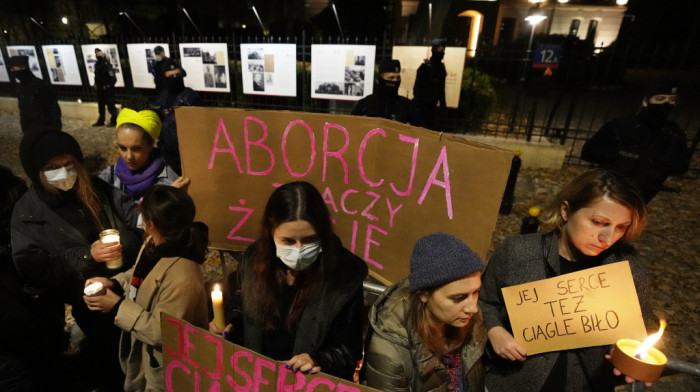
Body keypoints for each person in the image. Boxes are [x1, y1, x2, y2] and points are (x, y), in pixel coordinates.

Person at [479, 169, 651, 392]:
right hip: (512, 382)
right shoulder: (518, 253)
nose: (608, 238)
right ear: (566, 210)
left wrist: (628, 360)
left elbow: (631, 338)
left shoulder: (630, 275)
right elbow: (483, 301)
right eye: (598, 222)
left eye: (621, 227)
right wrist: (494, 330)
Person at [11, 129, 143, 390]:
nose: (63, 173)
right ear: (38, 172)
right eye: (52, 167)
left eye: (69, 165)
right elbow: (32, 266)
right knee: (113, 357)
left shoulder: (94, 188)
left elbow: (126, 209)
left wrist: (149, 218)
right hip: (90, 302)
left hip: (129, 283)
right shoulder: (28, 214)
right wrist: (86, 255)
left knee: (139, 348)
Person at [210, 181, 368, 380]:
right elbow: (242, 308)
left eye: (310, 240)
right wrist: (229, 324)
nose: (299, 249)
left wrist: (318, 361)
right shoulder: (254, 261)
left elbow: (348, 349)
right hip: (255, 378)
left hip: (304, 384)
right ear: (271, 233)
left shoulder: (344, 276)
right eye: (288, 241)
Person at [83, 185, 209, 392]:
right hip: (143, 352)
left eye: (142, 215)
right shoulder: (154, 243)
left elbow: (163, 332)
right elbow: (140, 274)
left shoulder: (183, 276)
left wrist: (117, 307)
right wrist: (114, 283)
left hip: (168, 371)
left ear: (150, 223)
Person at [364, 232, 487, 391]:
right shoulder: (389, 352)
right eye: (458, 298)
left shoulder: (469, 319)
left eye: (476, 292)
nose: (473, 308)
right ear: (424, 294)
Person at [581, 81, 690, 202]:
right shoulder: (621, 126)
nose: (666, 103)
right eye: (660, 98)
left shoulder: (674, 134)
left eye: (672, 100)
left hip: (642, 195)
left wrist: (658, 161)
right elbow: (588, 152)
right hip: (607, 189)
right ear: (645, 101)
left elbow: (680, 167)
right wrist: (623, 155)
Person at [99, 107, 188, 201]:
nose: (129, 156)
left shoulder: (169, 183)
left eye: (136, 149)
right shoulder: (112, 173)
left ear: (150, 144)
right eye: (123, 148)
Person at [157, 67, 201, 175]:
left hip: (186, 151)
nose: (175, 78)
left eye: (177, 75)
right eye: (171, 77)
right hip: (166, 151)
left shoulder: (191, 96)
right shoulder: (163, 95)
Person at [352, 59, 417, 124]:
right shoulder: (365, 104)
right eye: (391, 78)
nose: (395, 81)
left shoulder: (407, 106)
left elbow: (418, 130)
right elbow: (351, 126)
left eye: (397, 78)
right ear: (380, 79)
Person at [8, 55, 62, 134]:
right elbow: (24, 112)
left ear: (23, 68)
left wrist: (53, 131)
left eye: (14, 69)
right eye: (12, 69)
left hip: (45, 130)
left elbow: (53, 111)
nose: (13, 72)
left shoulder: (41, 86)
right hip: (30, 131)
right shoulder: (21, 87)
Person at [413, 38, 447, 130]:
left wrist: (443, 105)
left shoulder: (441, 68)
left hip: (432, 106)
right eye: (440, 50)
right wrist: (417, 105)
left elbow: (441, 88)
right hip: (422, 105)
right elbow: (418, 88)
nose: (442, 54)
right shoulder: (424, 67)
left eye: (443, 51)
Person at [93, 48, 118, 127]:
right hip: (100, 89)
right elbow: (97, 76)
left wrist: (108, 86)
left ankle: (114, 121)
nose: (98, 55)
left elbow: (113, 79)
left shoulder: (107, 65)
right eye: (97, 54)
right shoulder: (97, 64)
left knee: (111, 106)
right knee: (101, 106)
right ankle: (101, 120)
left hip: (107, 90)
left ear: (103, 55)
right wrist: (95, 84)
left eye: (99, 53)